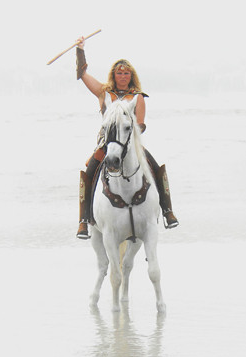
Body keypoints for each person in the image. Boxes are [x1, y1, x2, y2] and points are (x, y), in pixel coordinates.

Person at [75, 36, 179, 239]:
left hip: (131, 145)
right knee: (88, 172)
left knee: (156, 168)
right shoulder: (104, 93)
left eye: (126, 73)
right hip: (107, 145)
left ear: (131, 76)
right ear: (114, 74)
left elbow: (141, 123)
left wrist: (129, 135)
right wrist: (80, 50)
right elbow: (82, 74)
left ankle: (168, 211)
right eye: (119, 73)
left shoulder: (138, 96)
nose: (122, 76)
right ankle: (83, 220)